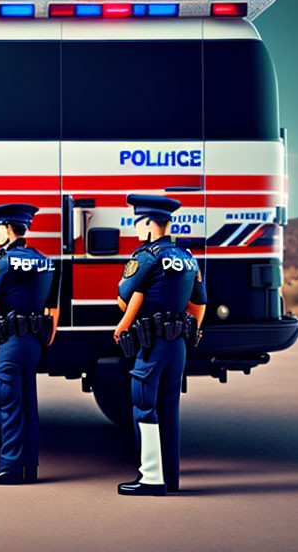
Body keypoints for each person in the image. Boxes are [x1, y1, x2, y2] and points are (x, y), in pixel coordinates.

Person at [113, 194, 207, 496]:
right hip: (178, 344)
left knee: (144, 406)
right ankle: (171, 478)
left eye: (137, 223)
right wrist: (189, 329)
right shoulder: (188, 257)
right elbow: (199, 303)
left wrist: (124, 324)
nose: (136, 229)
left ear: (150, 224)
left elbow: (126, 298)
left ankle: (151, 478)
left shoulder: (146, 257)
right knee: (169, 409)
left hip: (151, 345)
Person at [0, 203, 58, 485]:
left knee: (7, 402)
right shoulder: (45, 260)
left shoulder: (3, 262)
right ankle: (28, 466)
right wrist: (47, 337)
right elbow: (52, 307)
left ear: (7, 229)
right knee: (29, 405)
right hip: (33, 341)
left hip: (9, 342)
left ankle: (9, 468)